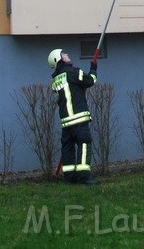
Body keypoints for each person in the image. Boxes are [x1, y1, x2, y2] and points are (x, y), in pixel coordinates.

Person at [48, 48, 99, 184]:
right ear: (58, 59)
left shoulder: (55, 80)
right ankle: (84, 176)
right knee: (84, 144)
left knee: (68, 148)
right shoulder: (72, 72)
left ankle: (70, 178)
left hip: (66, 121)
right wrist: (93, 69)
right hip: (78, 117)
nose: (67, 54)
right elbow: (89, 81)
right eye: (64, 54)